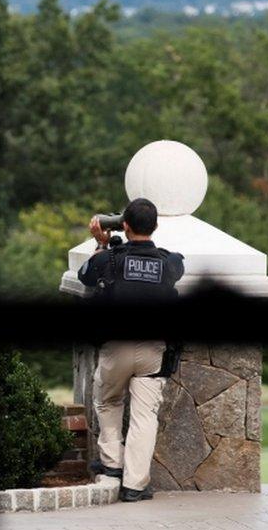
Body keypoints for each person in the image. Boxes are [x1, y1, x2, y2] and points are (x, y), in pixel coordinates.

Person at [77, 198, 184, 502]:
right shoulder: (168, 263)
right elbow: (179, 264)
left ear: (124, 225)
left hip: (116, 347)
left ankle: (112, 466)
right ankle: (135, 486)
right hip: (153, 351)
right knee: (145, 417)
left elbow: (86, 274)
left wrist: (102, 244)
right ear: (156, 226)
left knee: (109, 401)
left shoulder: (109, 259)